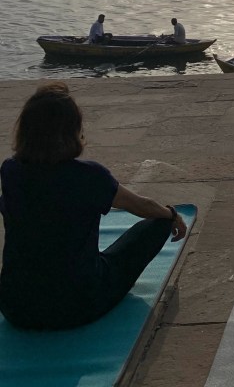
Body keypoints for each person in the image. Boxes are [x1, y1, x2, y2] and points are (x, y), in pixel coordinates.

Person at [0, 82, 187, 330]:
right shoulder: (89, 176)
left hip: (16, 307)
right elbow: (140, 206)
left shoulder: (10, 171)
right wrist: (171, 214)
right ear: (73, 131)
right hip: (79, 304)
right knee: (157, 223)